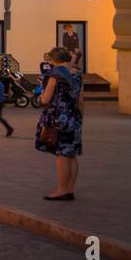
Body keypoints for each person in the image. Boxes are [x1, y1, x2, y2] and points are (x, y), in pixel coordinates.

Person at [36, 47, 82, 200]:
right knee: (72, 155)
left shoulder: (54, 75)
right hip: (74, 117)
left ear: (53, 60)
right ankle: (70, 189)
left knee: (61, 154)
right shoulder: (77, 75)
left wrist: (40, 94)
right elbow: (80, 101)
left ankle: (61, 189)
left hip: (58, 118)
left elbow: (45, 99)